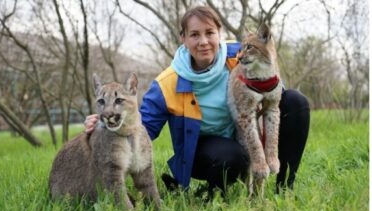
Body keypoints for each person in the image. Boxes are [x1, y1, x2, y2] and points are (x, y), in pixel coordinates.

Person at [85, 6, 310, 194]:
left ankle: (284, 188)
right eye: (194, 35)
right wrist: (105, 122)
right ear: (183, 39)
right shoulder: (167, 83)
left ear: (219, 33)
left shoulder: (240, 56)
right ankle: (212, 190)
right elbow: (143, 128)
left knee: (295, 102)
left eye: (209, 33)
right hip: (204, 151)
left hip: (246, 133)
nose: (203, 41)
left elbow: (273, 90)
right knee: (232, 157)